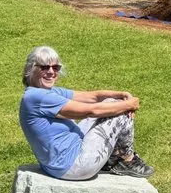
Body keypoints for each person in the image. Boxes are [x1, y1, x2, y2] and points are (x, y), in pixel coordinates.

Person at [19, 46, 155, 180]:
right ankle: (127, 161)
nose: (51, 72)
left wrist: (122, 95)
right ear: (31, 68)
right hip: (74, 166)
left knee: (112, 103)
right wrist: (129, 105)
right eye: (44, 67)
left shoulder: (46, 91)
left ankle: (113, 159)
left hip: (61, 162)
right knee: (119, 112)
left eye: (55, 68)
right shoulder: (37, 97)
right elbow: (91, 111)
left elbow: (93, 97)